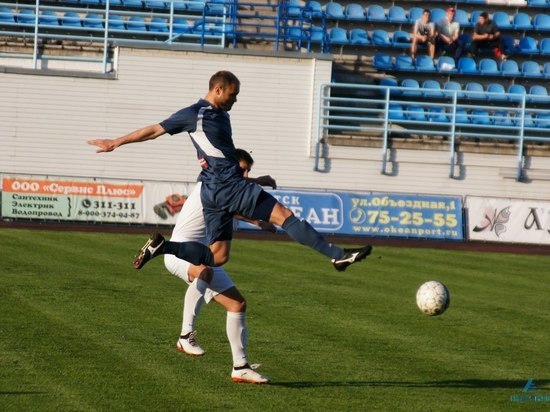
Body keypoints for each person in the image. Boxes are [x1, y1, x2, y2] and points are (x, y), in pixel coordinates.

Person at [88, 71, 372, 273]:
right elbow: (154, 130)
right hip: (228, 185)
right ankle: (338, 256)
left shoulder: (219, 115)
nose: (235, 100)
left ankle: (164, 247)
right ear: (218, 89)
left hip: (212, 191)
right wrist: (116, 142)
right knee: (285, 216)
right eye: (232, 95)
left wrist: (256, 179)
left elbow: (221, 153)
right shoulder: (196, 114)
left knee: (218, 256)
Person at [166, 148, 274, 384]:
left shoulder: (223, 190)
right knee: (203, 270)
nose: (245, 176)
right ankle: (185, 335)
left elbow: (232, 207)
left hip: (204, 255)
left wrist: (257, 221)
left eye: (248, 171)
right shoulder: (209, 183)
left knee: (237, 303)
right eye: (242, 170)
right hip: (180, 252)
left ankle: (241, 367)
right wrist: (260, 183)